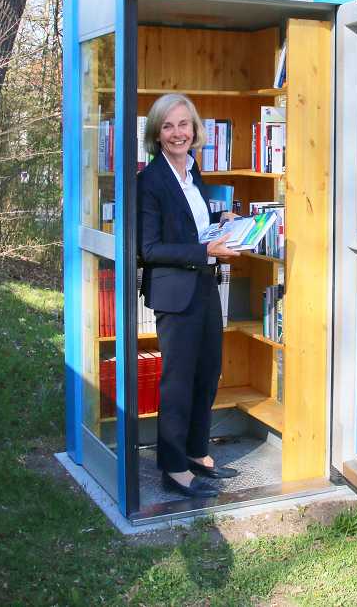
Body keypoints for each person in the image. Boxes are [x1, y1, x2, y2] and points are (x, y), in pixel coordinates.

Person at [137, 93, 241, 499]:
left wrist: (220, 220)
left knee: (207, 371)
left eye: (184, 124)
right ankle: (174, 468)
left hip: (202, 284)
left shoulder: (191, 172)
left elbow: (188, 224)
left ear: (195, 130)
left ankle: (197, 452)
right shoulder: (151, 181)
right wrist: (206, 251)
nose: (178, 133)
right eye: (168, 126)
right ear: (157, 134)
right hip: (175, 293)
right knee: (177, 383)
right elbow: (149, 249)